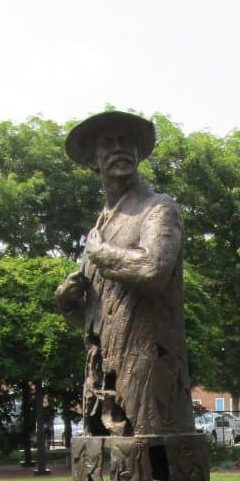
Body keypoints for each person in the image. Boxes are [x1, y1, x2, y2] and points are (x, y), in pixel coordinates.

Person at [56, 110, 196, 438]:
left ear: (137, 154)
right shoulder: (101, 226)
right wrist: (68, 302)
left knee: (147, 460)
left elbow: (153, 268)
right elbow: (101, 316)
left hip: (147, 364)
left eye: (126, 142)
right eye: (108, 143)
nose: (119, 148)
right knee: (103, 460)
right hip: (103, 371)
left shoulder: (158, 208)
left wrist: (102, 255)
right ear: (93, 160)